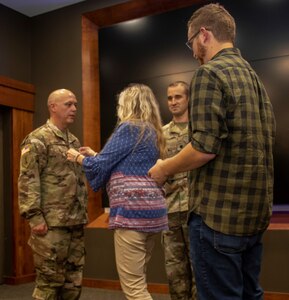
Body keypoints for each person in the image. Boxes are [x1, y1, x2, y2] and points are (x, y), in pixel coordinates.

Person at [149, 3, 276, 300]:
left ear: (204, 35)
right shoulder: (254, 79)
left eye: (191, 41)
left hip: (218, 219)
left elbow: (205, 148)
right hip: (253, 219)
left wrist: (164, 168)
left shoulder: (209, 74)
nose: (192, 50)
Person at [67, 83, 168, 300]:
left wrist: (77, 157)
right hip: (153, 213)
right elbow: (124, 162)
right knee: (139, 277)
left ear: (128, 104)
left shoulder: (129, 127)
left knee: (134, 288)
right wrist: (95, 155)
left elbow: (100, 166)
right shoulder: (152, 131)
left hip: (131, 213)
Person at [18, 89, 88, 300]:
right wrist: (35, 217)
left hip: (74, 222)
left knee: (73, 284)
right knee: (49, 284)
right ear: (53, 107)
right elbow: (28, 180)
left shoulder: (74, 141)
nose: (74, 109)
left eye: (75, 104)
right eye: (68, 104)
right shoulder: (38, 139)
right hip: (50, 225)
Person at [162, 81, 197, 300]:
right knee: (175, 271)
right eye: (170, 98)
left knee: (200, 269)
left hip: (197, 211)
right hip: (170, 211)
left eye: (178, 97)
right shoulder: (161, 134)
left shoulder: (200, 130)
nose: (173, 102)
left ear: (188, 99)